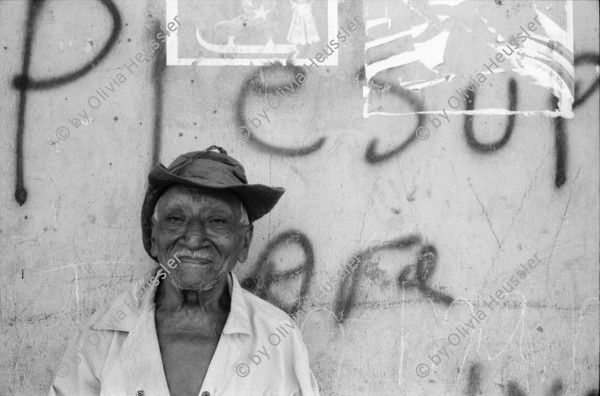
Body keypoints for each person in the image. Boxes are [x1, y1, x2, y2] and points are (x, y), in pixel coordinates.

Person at [49, 145, 319, 396]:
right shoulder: (102, 337)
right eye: (176, 219)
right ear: (154, 237)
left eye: (217, 220)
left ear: (244, 242)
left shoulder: (278, 339)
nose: (193, 237)